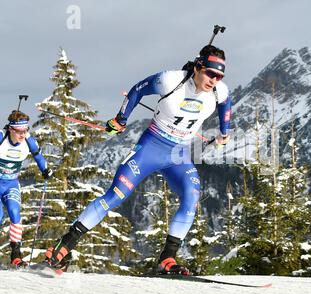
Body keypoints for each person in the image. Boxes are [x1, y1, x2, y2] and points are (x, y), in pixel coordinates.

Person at [44, 45, 232, 275]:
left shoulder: (219, 90)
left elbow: (226, 105)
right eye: (210, 73)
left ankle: (168, 258)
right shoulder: (171, 80)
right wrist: (120, 119)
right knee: (117, 194)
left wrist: (225, 131)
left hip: (179, 155)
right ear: (197, 67)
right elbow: (137, 90)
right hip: (151, 147)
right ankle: (66, 243)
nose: (214, 80)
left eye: (219, 76)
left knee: (191, 197)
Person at [0, 111, 52, 267]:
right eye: (19, 131)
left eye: (25, 130)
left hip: (11, 184)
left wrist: (45, 170)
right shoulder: (1, 137)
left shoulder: (29, 140)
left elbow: (38, 156)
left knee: (15, 213)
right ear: (10, 129)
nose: (23, 134)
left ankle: (16, 256)